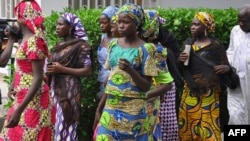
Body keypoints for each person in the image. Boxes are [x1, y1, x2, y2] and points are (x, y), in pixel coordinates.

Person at [94, 3, 158, 140]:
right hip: (111, 107)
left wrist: (130, 70)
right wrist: (99, 108)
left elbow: (146, 86)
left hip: (133, 111)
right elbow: (111, 79)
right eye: (119, 22)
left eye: (126, 22)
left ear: (136, 24)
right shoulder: (113, 45)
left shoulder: (147, 49)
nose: (121, 26)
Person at [0, 0, 55, 140]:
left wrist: (19, 110)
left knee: (29, 135)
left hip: (34, 98)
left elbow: (38, 77)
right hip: (23, 95)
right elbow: (22, 67)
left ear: (22, 16)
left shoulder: (34, 41)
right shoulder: (24, 39)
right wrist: (13, 84)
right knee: (12, 134)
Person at [178, 12, 232, 141]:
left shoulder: (216, 46)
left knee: (209, 123)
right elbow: (182, 69)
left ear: (206, 27)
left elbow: (226, 66)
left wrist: (227, 68)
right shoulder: (188, 43)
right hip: (191, 91)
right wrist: (180, 61)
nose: (192, 27)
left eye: (196, 24)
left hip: (210, 93)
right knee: (189, 122)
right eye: (192, 24)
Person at [46, 12, 92, 140]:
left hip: (70, 89)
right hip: (55, 87)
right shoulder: (58, 46)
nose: (57, 27)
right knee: (54, 122)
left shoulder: (82, 46)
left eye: (61, 24)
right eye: (56, 24)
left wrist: (62, 69)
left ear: (71, 27)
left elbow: (88, 71)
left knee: (65, 122)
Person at [140, 9, 179, 141]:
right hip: (148, 92)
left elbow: (168, 79)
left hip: (163, 89)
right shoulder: (135, 44)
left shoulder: (161, 44)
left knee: (165, 125)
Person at [226, 4, 250, 125]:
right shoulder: (235, 31)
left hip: (249, 82)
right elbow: (230, 51)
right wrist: (229, 67)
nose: (240, 23)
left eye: (244, 21)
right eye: (239, 20)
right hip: (236, 82)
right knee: (235, 115)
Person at [97, 6, 118, 100]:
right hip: (102, 79)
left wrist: (109, 78)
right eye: (100, 23)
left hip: (114, 81)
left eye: (104, 23)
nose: (101, 25)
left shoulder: (118, 40)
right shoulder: (103, 37)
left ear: (112, 22)